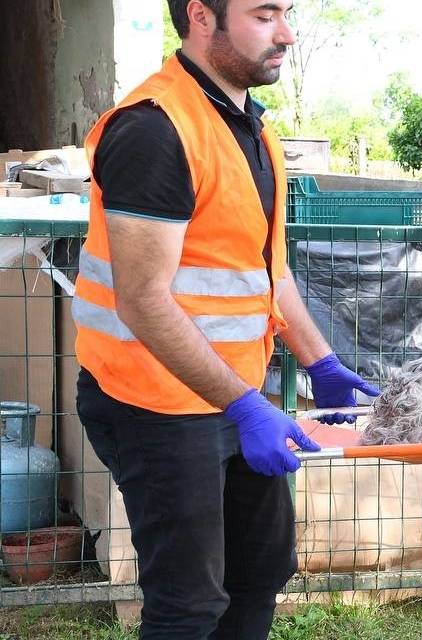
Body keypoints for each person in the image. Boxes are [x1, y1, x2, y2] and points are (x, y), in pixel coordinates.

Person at [72, 1, 379, 636]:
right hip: (153, 402)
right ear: (201, 16)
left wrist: (320, 360)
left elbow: (270, 274)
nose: (287, 34)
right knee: (188, 603)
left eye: (286, 13)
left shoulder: (253, 129)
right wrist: (246, 406)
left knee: (261, 569)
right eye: (265, 14)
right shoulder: (154, 130)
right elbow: (144, 300)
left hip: (233, 395)